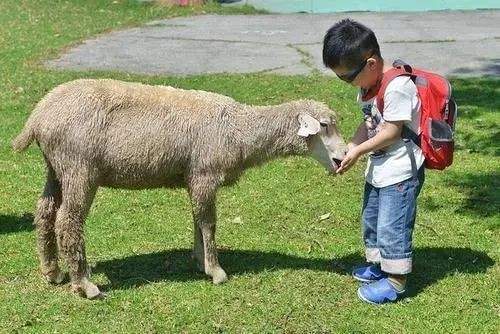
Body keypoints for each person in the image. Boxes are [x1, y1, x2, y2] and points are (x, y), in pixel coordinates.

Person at [322, 19, 425, 304]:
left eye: (347, 77)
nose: (347, 84)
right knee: (373, 218)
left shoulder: (398, 88)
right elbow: (369, 122)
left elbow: (392, 132)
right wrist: (352, 146)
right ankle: (380, 266)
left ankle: (396, 281)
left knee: (393, 224)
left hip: (401, 170)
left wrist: (358, 151)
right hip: (380, 167)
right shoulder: (370, 86)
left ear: (370, 64)